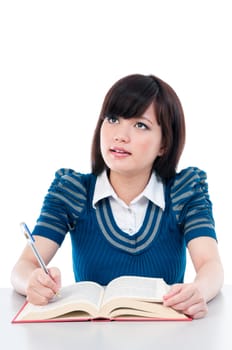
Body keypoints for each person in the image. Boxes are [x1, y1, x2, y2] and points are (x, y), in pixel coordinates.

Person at [11, 73, 224, 319]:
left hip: (167, 336)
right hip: (92, 337)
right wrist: (32, 282)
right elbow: (24, 266)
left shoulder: (184, 191)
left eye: (140, 125)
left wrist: (198, 290)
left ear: (164, 144)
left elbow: (211, 265)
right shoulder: (71, 191)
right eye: (112, 119)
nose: (120, 135)